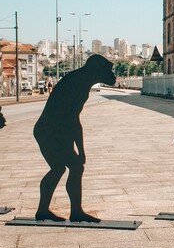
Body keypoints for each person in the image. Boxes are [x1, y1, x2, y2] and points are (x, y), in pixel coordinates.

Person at [33, 55, 116, 222]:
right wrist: (81, 150)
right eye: (108, 70)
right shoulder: (78, 83)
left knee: (61, 168)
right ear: (97, 70)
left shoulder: (80, 80)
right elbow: (71, 120)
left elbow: (71, 119)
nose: (112, 75)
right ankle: (73, 211)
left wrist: (79, 149)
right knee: (71, 167)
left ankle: (46, 210)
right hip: (50, 131)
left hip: (55, 130)